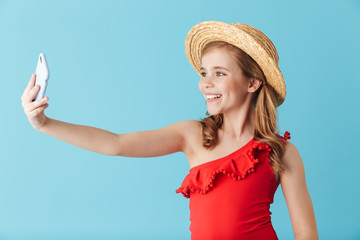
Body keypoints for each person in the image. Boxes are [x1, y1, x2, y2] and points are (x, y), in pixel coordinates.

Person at [21, 21, 318, 239]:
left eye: (220, 73)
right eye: (204, 73)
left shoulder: (282, 152)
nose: (206, 83)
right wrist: (44, 124)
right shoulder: (193, 135)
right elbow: (117, 143)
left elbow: (306, 233)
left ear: (252, 83)